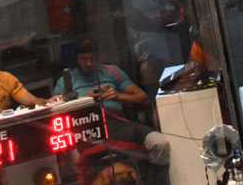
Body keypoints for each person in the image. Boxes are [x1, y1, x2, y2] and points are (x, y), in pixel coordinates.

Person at [53, 36, 170, 183]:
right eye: (84, 59)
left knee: (160, 144)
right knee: (71, 163)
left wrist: (117, 96)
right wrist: (85, 102)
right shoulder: (66, 81)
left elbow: (144, 99)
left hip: (118, 125)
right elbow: (55, 112)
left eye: (92, 58)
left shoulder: (112, 72)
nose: (89, 63)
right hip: (86, 131)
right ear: (75, 58)